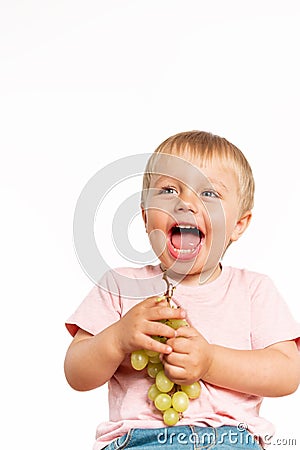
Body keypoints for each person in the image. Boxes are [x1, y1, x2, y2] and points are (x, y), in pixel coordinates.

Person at [64, 131, 300, 450]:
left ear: (238, 225)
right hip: (140, 440)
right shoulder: (119, 285)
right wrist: (117, 338)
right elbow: (76, 372)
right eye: (169, 189)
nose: (186, 202)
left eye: (209, 193)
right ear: (147, 217)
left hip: (231, 439)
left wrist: (210, 361)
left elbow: (287, 373)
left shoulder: (255, 289)